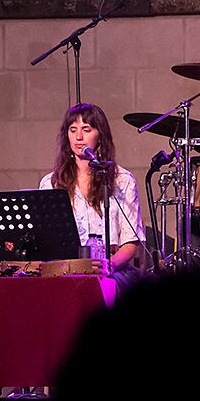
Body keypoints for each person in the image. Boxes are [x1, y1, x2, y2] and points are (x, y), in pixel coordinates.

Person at [41, 103, 142, 280]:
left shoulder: (122, 180)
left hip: (111, 269)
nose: (78, 137)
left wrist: (109, 266)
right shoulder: (51, 182)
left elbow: (131, 242)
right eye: (73, 130)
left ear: (100, 135)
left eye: (86, 129)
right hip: (67, 269)